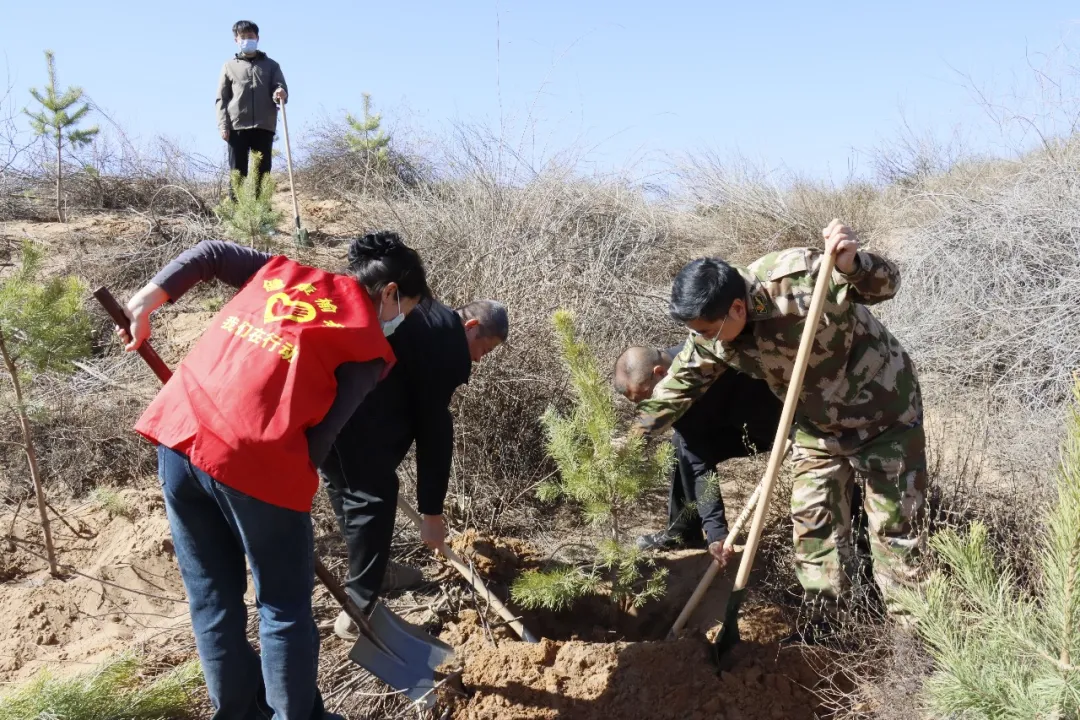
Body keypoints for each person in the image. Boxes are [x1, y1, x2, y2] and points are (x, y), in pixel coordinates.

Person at [116, 231, 430, 719]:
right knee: (283, 609)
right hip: (257, 463)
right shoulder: (369, 344)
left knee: (212, 600)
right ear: (390, 292)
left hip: (181, 436)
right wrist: (290, 504)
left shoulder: (285, 274)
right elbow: (323, 438)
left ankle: (239, 713)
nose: (400, 321)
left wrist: (145, 301)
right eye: (405, 309)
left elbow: (212, 253)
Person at [629, 220, 926, 644]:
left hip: (883, 414)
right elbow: (678, 386)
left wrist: (854, 265)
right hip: (817, 428)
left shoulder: (798, 279)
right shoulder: (712, 333)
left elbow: (886, 285)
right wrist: (630, 442)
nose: (701, 340)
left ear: (736, 309)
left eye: (706, 330)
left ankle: (912, 642)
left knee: (895, 533)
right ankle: (830, 630)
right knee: (814, 526)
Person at [320, 298, 509, 639]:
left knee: (346, 488)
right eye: (485, 348)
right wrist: (432, 514)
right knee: (373, 499)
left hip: (329, 415)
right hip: (355, 424)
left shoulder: (423, 312)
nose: (480, 359)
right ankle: (358, 608)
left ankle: (373, 571)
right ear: (470, 327)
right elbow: (434, 430)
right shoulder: (446, 346)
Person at [613, 345, 780, 568]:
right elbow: (698, 461)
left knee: (685, 443)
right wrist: (716, 533)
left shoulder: (712, 357)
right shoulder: (673, 393)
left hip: (783, 425)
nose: (650, 406)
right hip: (739, 429)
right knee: (681, 443)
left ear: (659, 373)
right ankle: (684, 533)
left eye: (646, 397)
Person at [216, 20, 287, 183]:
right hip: (237, 127)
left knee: (262, 174)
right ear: (236, 40)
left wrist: (280, 92)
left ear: (257, 38)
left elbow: (280, 87)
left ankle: (262, 201)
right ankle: (237, 202)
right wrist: (223, 125)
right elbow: (222, 99)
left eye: (250, 36)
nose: (247, 40)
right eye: (243, 37)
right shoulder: (229, 66)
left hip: (264, 126)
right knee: (238, 174)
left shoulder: (272, 65)